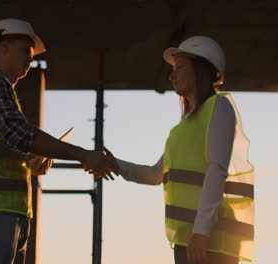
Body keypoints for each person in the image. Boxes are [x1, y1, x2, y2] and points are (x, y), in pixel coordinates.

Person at [0, 18, 117, 264]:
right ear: (4, 46)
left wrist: (30, 161)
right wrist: (84, 155)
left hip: (7, 213)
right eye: (25, 51)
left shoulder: (4, 91)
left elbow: (11, 142)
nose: (30, 60)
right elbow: (18, 133)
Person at [104, 36, 255, 264]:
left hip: (210, 240)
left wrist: (202, 232)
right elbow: (156, 174)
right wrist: (117, 165)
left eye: (179, 68)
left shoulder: (219, 107)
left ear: (200, 69)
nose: (171, 75)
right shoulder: (183, 127)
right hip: (188, 239)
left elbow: (217, 170)